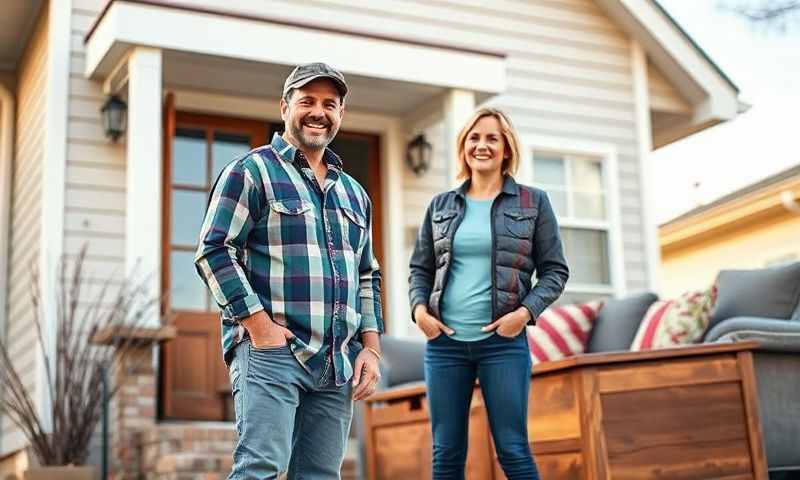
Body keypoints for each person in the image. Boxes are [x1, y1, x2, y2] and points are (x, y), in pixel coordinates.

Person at [195, 62, 383, 479]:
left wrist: (370, 348)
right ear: (285, 107)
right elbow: (213, 251)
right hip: (273, 352)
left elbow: (367, 273)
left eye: (329, 104)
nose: (319, 112)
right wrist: (261, 329)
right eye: (307, 101)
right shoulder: (251, 172)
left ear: (340, 115)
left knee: (319, 475)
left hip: (337, 362)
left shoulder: (354, 194)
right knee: (259, 470)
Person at [408, 107, 569, 479]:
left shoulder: (533, 202)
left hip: (503, 343)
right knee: (446, 454)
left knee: (512, 448)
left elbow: (555, 271)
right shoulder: (442, 205)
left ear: (507, 148)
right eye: (474, 138)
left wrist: (523, 315)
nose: (482, 145)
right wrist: (419, 311)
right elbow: (421, 267)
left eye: (492, 138)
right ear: (464, 147)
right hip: (445, 345)